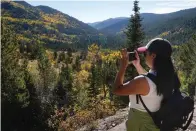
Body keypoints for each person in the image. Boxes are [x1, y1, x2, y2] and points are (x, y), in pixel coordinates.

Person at [113, 38, 181, 131]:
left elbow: (117, 89)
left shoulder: (142, 81)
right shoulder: (169, 75)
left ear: (153, 55)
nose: (144, 56)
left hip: (141, 124)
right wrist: (137, 65)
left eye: (145, 54)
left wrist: (122, 67)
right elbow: (151, 81)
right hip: (156, 123)